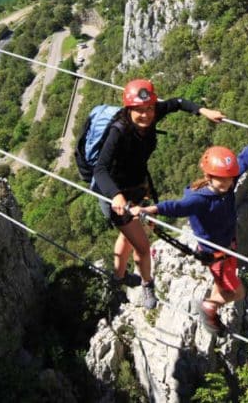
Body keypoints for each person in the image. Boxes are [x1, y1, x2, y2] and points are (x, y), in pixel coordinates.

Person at [93, 79, 224, 309]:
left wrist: (203, 111)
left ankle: (119, 275)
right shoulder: (119, 131)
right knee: (142, 248)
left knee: (127, 236)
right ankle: (147, 285)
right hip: (115, 196)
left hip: (137, 188)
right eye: (139, 111)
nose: (146, 115)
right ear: (128, 109)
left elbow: (177, 102)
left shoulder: (153, 114)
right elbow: (100, 169)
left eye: (149, 108)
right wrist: (115, 195)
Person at [130, 128, 248, 334]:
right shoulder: (199, 199)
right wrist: (150, 209)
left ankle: (212, 308)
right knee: (239, 292)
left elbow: (242, 161)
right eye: (222, 179)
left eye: (230, 179)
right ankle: (209, 307)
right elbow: (177, 207)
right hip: (217, 255)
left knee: (223, 283)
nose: (228, 183)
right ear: (208, 175)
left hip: (226, 247)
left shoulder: (227, 182)